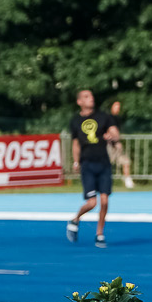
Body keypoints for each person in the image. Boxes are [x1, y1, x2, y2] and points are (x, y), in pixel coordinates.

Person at [65, 90, 120, 248]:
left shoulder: (104, 117)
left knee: (104, 201)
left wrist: (112, 137)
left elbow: (115, 134)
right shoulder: (75, 121)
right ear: (79, 102)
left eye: (91, 96)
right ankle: (75, 219)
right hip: (87, 164)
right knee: (91, 203)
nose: (91, 99)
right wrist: (76, 162)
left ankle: (99, 234)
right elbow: (76, 143)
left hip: (103, 163)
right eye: (86, 97)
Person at [106, 98, 136, 190]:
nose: (118, 108)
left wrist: (117, 141)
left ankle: (127, 180)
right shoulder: (108, 117)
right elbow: (110, 131)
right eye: (116, 106)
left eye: (119, 106)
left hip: (116, 144)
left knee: (125, 161)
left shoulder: (118, 118)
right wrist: (114, 141)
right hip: (109, 144)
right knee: (106, 164)